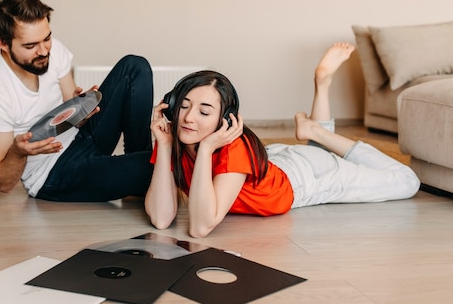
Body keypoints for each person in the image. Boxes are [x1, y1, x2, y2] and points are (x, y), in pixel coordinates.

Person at [145, 43, 420, 238]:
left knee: (407, 181)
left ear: (225, 119)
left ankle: (317, 131)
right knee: (319, 153)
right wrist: (165, 145)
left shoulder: (231, 148)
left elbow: (199, 228)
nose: (188, 118)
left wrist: (205, 151)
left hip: (306, 179)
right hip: (276, 161)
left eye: (204, 111)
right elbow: (161, 218)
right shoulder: (175, 139)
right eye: (184, 105)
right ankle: (320, 94)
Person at [0, 0, 154, 201]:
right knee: (159, 166)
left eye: (46, 39)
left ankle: (139, 173)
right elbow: (2, 182)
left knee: (134, 66)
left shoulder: (51, 50)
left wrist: (82, 108)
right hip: (53, 172)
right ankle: (142, 175)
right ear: (3, 43)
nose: (43, 51)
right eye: (30, 45)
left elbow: (72, 114)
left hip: (79, 137)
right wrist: (18, 152)